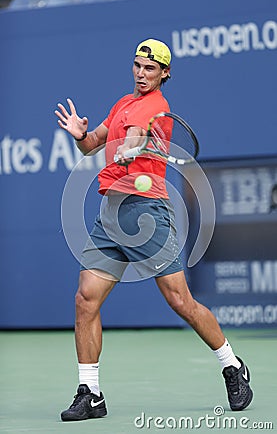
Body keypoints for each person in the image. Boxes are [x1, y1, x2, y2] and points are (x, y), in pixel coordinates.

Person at [55, 39, 253, 422]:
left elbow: (139, 136)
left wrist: (133, 145)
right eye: (137, 66)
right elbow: (93, 145)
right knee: (85, 300)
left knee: (180, 302)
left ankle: (232, 366)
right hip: (110, 214)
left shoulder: (158, 108)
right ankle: (91, 393)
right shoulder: (121, 104)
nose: (142, 74)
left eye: (150, 69)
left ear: (165, 73)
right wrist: (81, 134)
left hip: (147, 214)